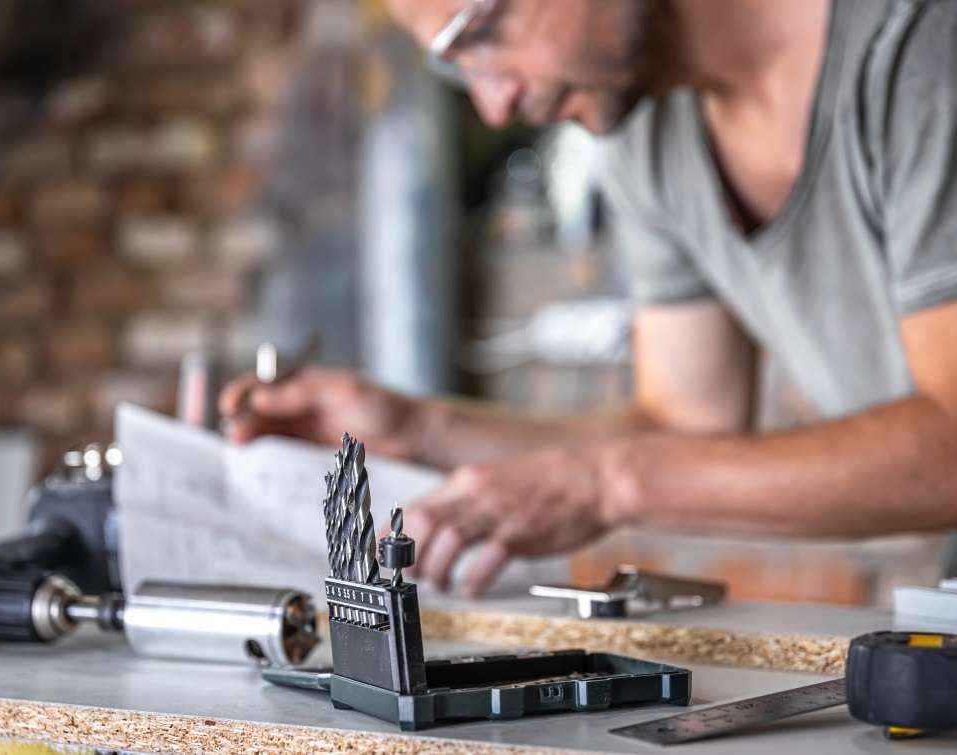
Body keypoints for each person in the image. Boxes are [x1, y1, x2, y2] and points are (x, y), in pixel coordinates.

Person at [220, 0, 957, 598]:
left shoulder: (922, 45)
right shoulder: (645, 131)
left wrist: (605, 485)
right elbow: (683, 424)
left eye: (484, 35)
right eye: (458, 70)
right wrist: (417, 428)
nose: (495, 101)